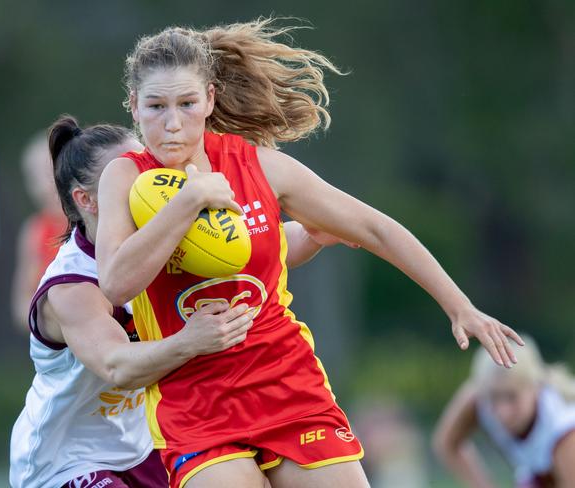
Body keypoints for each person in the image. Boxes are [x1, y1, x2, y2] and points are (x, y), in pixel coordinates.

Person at [95, 19, 523, 488]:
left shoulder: (258, 166)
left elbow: (374, 228)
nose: (172, 123)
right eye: (156, 106)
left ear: (210, 100)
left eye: (186, 104)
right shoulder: (123, 177)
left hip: (284, 383)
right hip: (194, 400)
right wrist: (189, 202)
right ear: (134, 107)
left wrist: (460, 306)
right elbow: (116, 283)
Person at [9, 115, 346, 488]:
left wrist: (315, 233)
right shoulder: (71, 288)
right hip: (67, 462)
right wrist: (190, 341)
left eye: (145, 167)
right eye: (128, 177)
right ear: (87, 200)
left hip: (143, 446)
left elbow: (249, 251)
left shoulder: (161, 236)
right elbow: (117, 365)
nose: (145, 181)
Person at [433, 336, 575, 487]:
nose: (503, 412)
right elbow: (448, 444)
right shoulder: (479, 397)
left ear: (535, 387)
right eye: (494, 397)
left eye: (511, 397)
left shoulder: (564, 428)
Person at [11, 131, 68, 332]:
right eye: (34, 176)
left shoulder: (94, 220)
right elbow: (21, 305)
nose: (44, 184)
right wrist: (53, 321)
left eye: (49, 171)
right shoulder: (35, 231)